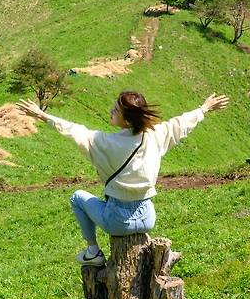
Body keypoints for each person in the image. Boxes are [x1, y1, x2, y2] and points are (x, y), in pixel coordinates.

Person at [17, 91, 229, 267]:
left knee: (77, 197)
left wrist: (43, 116)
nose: (111, 110)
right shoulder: (155, 135)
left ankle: (92, 251)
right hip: (147, 218)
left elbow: (75, 131)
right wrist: (204, 108)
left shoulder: (105, 143)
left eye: (116, 110)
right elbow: (180, 124)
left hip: (117, 221)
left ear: (127, 120)